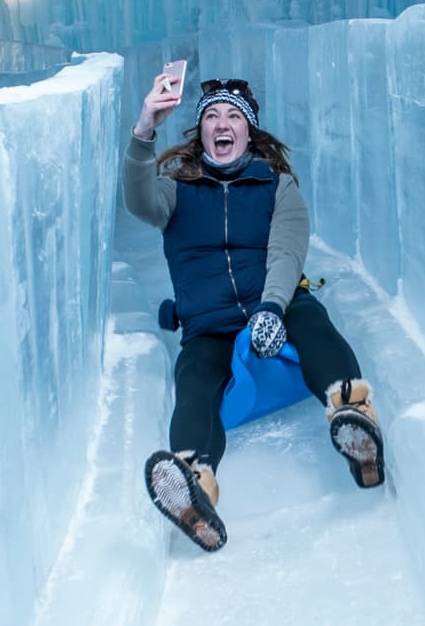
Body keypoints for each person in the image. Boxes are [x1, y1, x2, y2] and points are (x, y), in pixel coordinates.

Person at [123, 72, 386, 553]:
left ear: (249, 130)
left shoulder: (276, 186)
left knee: (311, 319)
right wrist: (144, 128)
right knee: (195, 377)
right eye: (211, 116)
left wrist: (272, 308)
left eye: (233, 116)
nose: (222, 123)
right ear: (200, 131)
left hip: (274, 304)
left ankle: (351, 413)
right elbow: (138, 201)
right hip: (208, 326)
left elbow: (287, 251)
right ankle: (194, 483)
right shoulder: (176, 189)